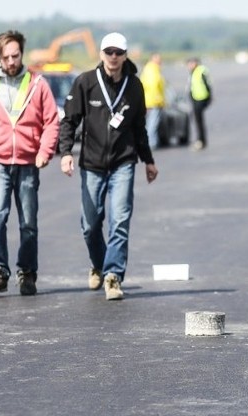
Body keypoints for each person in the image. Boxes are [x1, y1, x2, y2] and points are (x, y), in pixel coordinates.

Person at [59, 32, 158, 301]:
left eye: (118, 52)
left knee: (120, 220)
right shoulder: (86, 83)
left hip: (123, 163)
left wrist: (148, 160)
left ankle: (113, 276)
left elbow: (139, 129)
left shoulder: (135, 86)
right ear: (101, 54)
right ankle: (99, 264)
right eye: (109, 52)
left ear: (125, 56)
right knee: (90, 225)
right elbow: (69, 121)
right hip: (91, 164)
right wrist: (65, 152)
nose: (113, 57)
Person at [0, 30, 59, 296]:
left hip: (29, 163)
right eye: (6, 57)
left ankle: (27, 273)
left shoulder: (37, 84)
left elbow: (52, 121)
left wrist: (45, 151)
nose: (11, 61)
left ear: (22, 54)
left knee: (28, 222)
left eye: (15, 55)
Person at [140, 53, 165, 150]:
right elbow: (153, 87)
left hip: (149, 101)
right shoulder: (152, 70)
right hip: (153, 102)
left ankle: (150, 142)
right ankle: (151, 143)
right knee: (152, 123)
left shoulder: (149, 69)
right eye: (158, 58)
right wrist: (159, 100)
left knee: (149, 123)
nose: (160, 61)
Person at [186, 56, 212, 151]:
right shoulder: (194, 72)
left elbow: (208, 85)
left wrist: (209, 98)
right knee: (198, 121)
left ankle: (200, 140)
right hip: (196, 98)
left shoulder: (200, 71)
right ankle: (201, 140)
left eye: (190, 63)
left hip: (200, 98)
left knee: (198, 121)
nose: (189, 66)